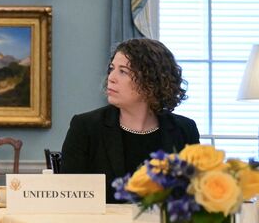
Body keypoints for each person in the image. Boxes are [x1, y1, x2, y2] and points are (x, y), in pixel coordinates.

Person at [59, 38, 198, 202]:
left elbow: (192, 197)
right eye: (111, 69)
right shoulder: (85, 127)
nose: (111, 77)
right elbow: (70, 199)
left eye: (123, 71)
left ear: (151, 80)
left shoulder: (184, 129)